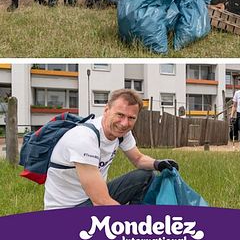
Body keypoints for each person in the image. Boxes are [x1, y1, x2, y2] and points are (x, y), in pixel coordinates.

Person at [44, 89, 179, 210]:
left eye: (131, 118)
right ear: (106, 110)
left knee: (146, 175)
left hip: (90, 199)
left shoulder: (121, 133)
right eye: (120, 115)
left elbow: (138, 159)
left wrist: (158, 163)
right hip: (68, 209)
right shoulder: (84, 138)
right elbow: (101, 202)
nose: (125, 123)